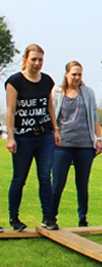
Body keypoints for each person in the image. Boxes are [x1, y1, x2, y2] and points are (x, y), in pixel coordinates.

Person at [5, 44, 61, 231]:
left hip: (44, 135)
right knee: (19, 178)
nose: (37, 63)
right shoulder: (15, 82)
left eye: (40, 60)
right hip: (23, 137)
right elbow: (11, 110)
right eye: (34, 59)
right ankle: (14, 218)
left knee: (45, 176)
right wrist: (11, 137)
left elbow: (50, 107)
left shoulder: (47, 81)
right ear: (26, 60)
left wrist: (55, 130)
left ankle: (48, 217)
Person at [51, 61, 102, 227]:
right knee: (58, 183)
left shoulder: (87, 93)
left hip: (85, 145)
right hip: (62, 145)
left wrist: (98, 138)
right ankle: (51, 217)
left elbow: (94, 116)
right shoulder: (57, 92)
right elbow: (51, 115)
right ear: (66, 74)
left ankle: (82, 219)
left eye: (79, 74)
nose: (77, 77)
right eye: (74, 74)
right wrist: (53, 132)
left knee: (82, 184)